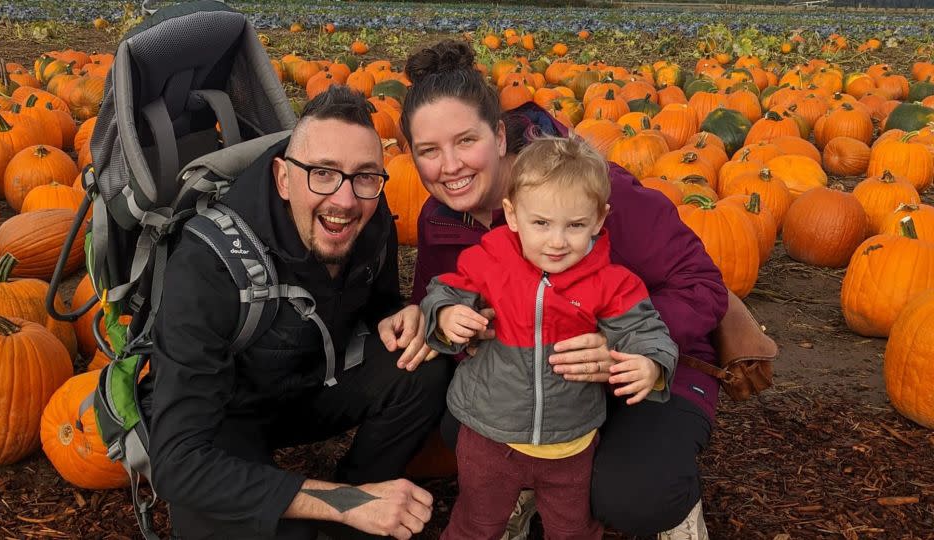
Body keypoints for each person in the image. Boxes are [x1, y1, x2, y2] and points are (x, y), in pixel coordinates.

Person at [399, 41, 728, 540]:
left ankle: (672, 509)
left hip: (640, 361)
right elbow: (440, 297)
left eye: (466, 140)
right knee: (460, 425)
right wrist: (431, 316)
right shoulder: (441, 218)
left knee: (634, 495)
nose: (450, 166)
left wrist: (615, 343)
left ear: (501, 137)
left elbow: (702, 286)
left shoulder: (590, 193)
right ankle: (523, 485)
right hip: (529, 381)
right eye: (428, 151)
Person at [144, 86, 447, 540]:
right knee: (215, 513)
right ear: (284, 178)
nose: (344, 200)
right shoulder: (207, 263)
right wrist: (342, 505)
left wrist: (394, 313)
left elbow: (379, 299)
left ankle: (364, 492)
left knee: (424, 362)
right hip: (229, 413)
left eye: (365, 176)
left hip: (312, 383)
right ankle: (347, 505)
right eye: (322, 173)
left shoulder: (371, 210)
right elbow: (178, 462)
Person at [420, 135, 679, 540]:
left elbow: (646, 331)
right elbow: (443, 292)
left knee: (572, 530)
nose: (557, 242)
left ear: (598, 220)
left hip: (570, 443)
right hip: (489, 437)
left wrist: (650, 365)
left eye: (575, 225)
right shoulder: (488, 263)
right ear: (513, 214)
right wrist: (446, 316)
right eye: (541, 223)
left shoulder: (612, 284)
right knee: (476, 524)